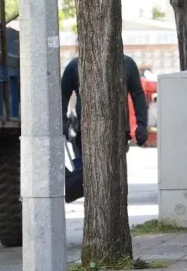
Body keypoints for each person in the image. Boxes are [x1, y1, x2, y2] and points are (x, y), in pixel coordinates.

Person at [60, 54, 149, 202]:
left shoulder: (126, 63)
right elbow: (62, 95)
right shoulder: (75, 65)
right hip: (86, 133)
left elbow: (138, 94)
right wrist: (62, 122)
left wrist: (142, 125)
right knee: (88, 178)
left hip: (118, 133)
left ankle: (110, 207)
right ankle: (94, 205)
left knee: (112, 177)